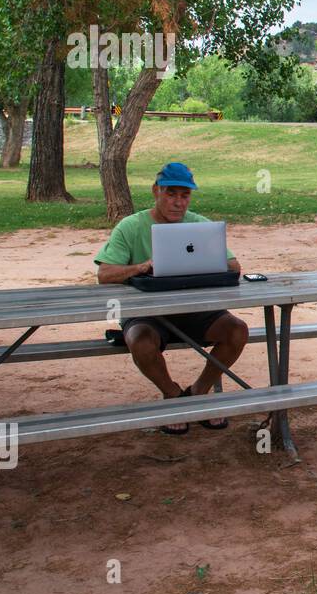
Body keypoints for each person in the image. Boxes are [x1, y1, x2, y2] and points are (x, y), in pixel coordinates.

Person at [94, 162, 249, 435]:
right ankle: (173, 395)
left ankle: (200, 390)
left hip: (196, 310)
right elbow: (104, 273)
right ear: (156, 191)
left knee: (237, 330)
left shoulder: (200, 225)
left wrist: (209, 262)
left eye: (185, 196)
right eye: (171, 194)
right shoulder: (130, 226)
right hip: (147, 313)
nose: (178, 202)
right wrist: (140, 267)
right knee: (139, 340)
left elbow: (234, 266)